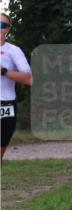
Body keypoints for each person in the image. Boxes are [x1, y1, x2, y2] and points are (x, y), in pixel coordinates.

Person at [1, 11, 32, 162]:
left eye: (2, 25)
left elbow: (28, 78)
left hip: (5, 105)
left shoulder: (13, 51)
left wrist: (4, 71)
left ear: (7, 29)